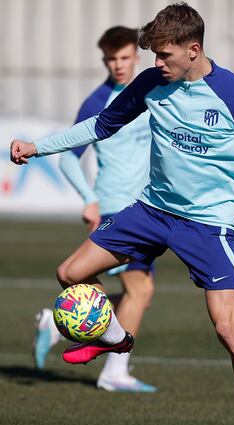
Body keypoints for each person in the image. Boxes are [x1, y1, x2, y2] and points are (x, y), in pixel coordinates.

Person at [11, 2, 234, 425]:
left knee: (229, 330)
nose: (156, 63)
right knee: (69, 274)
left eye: (164, 55)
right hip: (151, 211)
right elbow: (100, 127)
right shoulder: (152, 83)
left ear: (194, 50)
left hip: (208, 227)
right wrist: (38, 146)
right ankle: (115, 338)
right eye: (153, 54)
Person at [33, 26, 157, 393]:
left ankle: (55, 324)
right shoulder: (97, 101)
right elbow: (70, 159)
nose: (118, 66)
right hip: (115, 210)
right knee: (139, 292)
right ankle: (114, 372)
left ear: (136, 55)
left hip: (145, 208)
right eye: (110, 60)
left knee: (135, 293)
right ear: (104, 60)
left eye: (123, 58)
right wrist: (88, 197)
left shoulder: (149, 92)